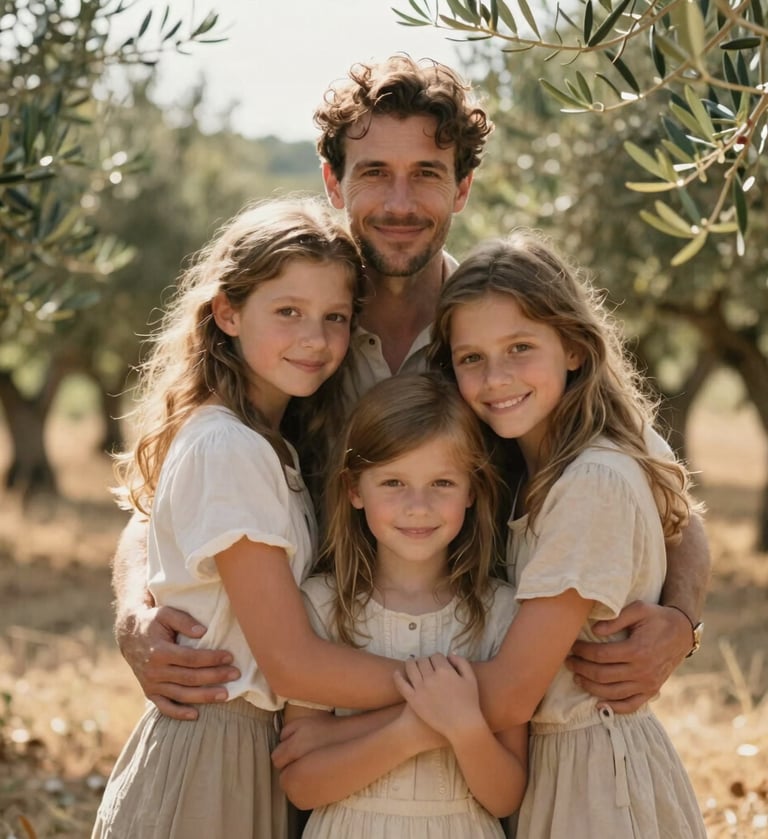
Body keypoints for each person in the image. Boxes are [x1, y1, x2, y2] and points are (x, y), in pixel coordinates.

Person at [111, 55, 709, 736]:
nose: (400, 203)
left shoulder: (500, 330)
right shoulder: (298, 340)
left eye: (426, 173)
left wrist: (681, 619)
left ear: (462, 188)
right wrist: (132, 610)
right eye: (374, 173)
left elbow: (664, 498)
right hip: (324, 722)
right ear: (334, 183)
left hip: (492, 723)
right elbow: (168, 500)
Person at [92, 196, 412, 839]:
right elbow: (291, 664)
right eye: (287, 311)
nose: (315, 339)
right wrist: (465, 688)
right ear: (228, 312)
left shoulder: (267, 442)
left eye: (334, 317)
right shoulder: (229, 448)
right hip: (211, 758)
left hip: (249, 752)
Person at [403, 230, 707, 836]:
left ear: (572, 347)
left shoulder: (591, 478)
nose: (496, 378)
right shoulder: (529, 456)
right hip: (548, 766)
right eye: (471, 358)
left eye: (520, 347)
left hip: (596, 783)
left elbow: (513, 693)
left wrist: (344, 728)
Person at [279, 373, 528, 837]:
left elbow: (505, 796)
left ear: (472, 490)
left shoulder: (501, 612)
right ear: (354, 489)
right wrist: (413, 731)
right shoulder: (321, 605)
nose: (418, 506)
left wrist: (466, 730)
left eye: (442, 483)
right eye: (393, 482)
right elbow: (301, 785)